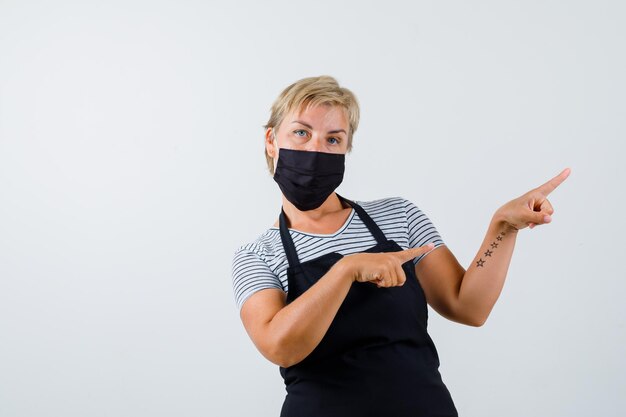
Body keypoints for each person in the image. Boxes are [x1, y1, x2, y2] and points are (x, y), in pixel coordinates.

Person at [231, 75, 570, 417]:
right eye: (301, 133)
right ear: (272, 140)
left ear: (346, 149)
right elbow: (280, 346)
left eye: (333, 139)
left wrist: (504, 227)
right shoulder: (258, 255)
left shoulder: (399, 216)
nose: (316, 149)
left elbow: (468, 307)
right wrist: (346, 270)